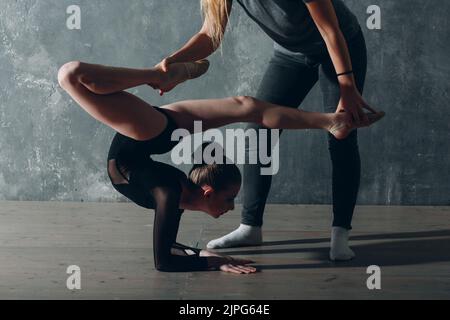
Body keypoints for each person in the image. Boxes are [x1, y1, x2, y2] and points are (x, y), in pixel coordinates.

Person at [57, 59, 384, 272]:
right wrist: (215, 261)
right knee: (247, 106)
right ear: (207, 191)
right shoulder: (173, 193)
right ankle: (156, 75)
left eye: (230, 199)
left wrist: (209, 260)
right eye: (230, 199)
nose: (231, 206)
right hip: (147, 135)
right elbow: (166, 258)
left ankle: (330, 122)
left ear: (207, 190)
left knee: (248, 106)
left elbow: (167, 254)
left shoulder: (173, 193)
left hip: (146, 137)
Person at [156, 0, 374, 261]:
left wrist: (347, 88)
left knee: (341, 134)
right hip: (289, 54)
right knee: (259, 133)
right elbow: (209, 35)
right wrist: (173, 61)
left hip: (339, 46)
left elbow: (330, 30)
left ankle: (340, 234)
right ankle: (250, 227)